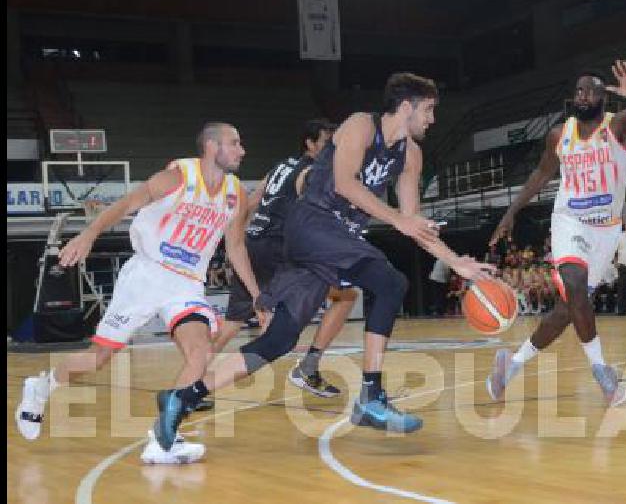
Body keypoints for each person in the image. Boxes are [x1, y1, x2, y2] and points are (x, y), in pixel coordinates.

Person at [153, 73, 494, 451]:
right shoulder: (361, 126)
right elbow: (345, 184)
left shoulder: (411, 155)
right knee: (392, 283)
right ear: (406, 106)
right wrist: (397, 218)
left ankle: (181, 397)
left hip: (335, 243)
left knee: (278, 340)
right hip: (312, 223)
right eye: (428, 109)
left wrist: (455, 262)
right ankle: (371, 396)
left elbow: (412, 221)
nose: (432, 119)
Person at [15, 122, 261, 465]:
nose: (242, 150)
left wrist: (256, 295)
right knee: (97, 359)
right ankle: (42, 386)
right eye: (234, 143)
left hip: (187, 282)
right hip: (146, 274)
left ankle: (164, 436)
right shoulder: (177, 177)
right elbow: (127, 203)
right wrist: (88, 235)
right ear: (211, 146)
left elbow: (235, 246)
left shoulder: (236, 192)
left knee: (200, 351)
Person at [485, 60, 626, 405]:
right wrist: (510, 212)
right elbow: (540, 174)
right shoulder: (559, 134)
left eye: (592, 90)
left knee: (568, 310)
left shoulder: (620, 126)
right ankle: (603, 374)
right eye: (579, 91)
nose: (583, 96)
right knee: (576, 285)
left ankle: (512, 364)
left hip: (606, 232)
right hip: (570, 222)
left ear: (603, 99)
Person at [213, 119, 358, 399]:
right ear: (310, 143)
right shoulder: (314, 172)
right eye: (327, 143)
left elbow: (253, 200)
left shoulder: (281, 166)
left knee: (232, 322)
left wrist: (237, 236)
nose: (333, 149)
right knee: (347, 295)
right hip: (281, 251)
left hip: (255, 246)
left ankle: (192, 380)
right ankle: (309, 365)